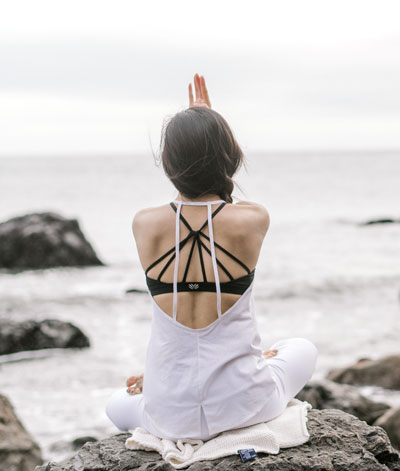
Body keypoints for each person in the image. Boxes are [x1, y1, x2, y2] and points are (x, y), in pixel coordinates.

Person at [105, 73, 318, 440]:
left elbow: (196, 197)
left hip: (170, 417)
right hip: (246, 407)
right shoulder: (252, 219)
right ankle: (256, 365)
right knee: (301, 348)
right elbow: (222, 197)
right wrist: (209, 126)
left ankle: (155, 382)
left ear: (168, 163)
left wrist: (197, 130)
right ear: (230, 155)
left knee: (114, 403)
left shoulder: (145, 224)